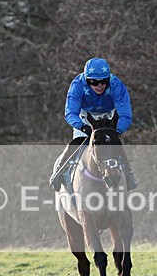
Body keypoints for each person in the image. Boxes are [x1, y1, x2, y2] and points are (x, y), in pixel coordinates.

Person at [49, 57, 138, 191]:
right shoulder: (77, 85)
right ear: (86, 80)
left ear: (108, 79)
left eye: (103, 81)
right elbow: (70, 113)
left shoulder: (116, 85)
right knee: (78, 141)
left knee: (114, 143)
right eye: (94, 82)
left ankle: (129, 174)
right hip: (85, 117)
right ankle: (59, 172)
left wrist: (117, 131)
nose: (99, 85)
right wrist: (83, 127)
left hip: (108, 117)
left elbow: (125, 114)